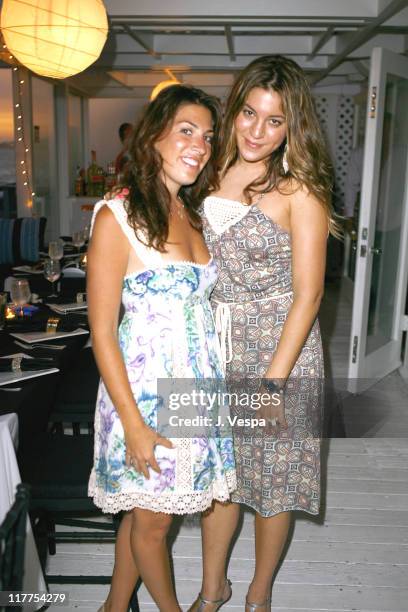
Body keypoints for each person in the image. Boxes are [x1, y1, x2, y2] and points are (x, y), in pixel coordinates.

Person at [192, 55, 338, 611]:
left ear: (292, 125)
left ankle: (258, 592)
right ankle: (212, 589)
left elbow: (310, 293)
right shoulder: (209, 169)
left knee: (273, 484)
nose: (257, 131)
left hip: (281, 351)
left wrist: (273, 385)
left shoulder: (301, 189)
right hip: (215, 345)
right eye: (249, 113)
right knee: (218, 476)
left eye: (273, 121)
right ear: (233, 113)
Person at [87, 84, 236, 612]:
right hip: (146, 398)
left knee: (149, 512)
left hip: (195, 390)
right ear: (153, 139)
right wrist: (133, 424)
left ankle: (112, 607)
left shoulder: (191, 212)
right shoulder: (116, 216)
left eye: (208, 136)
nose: (200, 144)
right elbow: (102, 330)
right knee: (154, 524)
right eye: (186, 131)